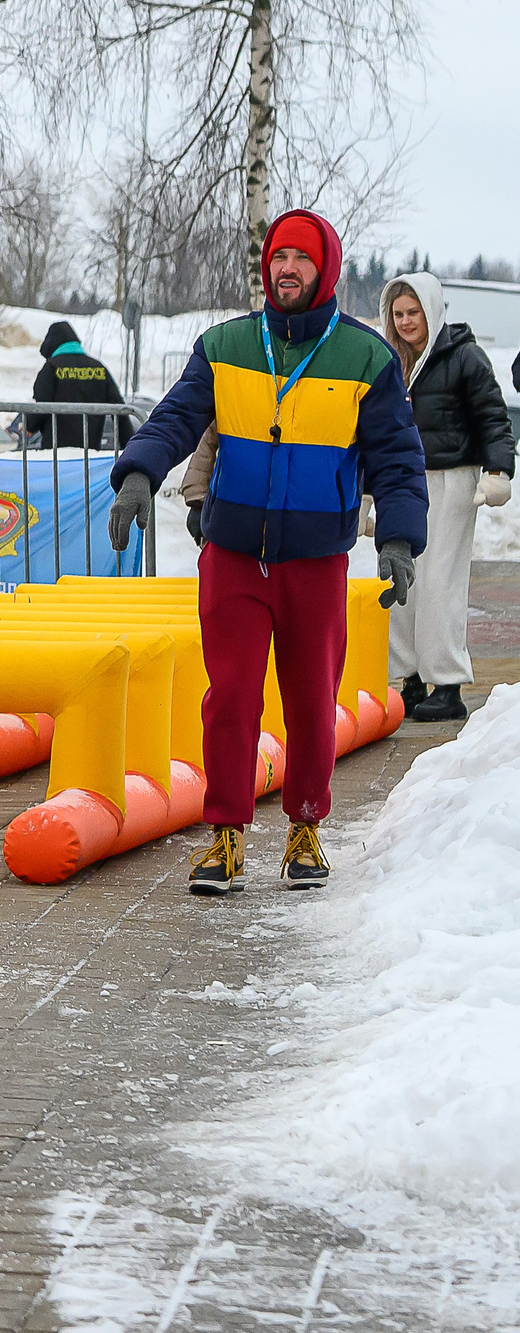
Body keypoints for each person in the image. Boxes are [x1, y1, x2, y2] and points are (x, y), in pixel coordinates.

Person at [108, 209, 427, 896]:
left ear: (325, 271)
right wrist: (139, 472)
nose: (286, 270)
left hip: (315, 562)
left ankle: (306, 825)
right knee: (229, 699)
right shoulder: (224, 345)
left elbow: (398, 460)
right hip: (233, 557)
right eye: (279, 258)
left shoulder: (366, 357)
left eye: (301, 261)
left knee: (312, 700)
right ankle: (224, 835)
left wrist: (399, 536)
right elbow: (177, 417)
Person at [376, 271, 514, 722]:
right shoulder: (388, 362)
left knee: (440, 581)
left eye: (413, 312)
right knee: (400, 579)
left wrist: (498, 470)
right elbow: (370, 431)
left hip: (451, 480)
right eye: (398, 314)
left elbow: (493, 415)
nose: (405, 322)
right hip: (401, 482)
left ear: (431, 311)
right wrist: (363, 493)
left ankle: (448, 684)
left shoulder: (465, 358)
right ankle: (410, 678)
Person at [24, 320, 126, 449]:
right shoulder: (98, 368)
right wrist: (129, 445)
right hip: (89, 452)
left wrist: (29, 425)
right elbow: (119, 409)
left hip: (56, 452)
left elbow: (42, 404)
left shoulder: (52, 367)